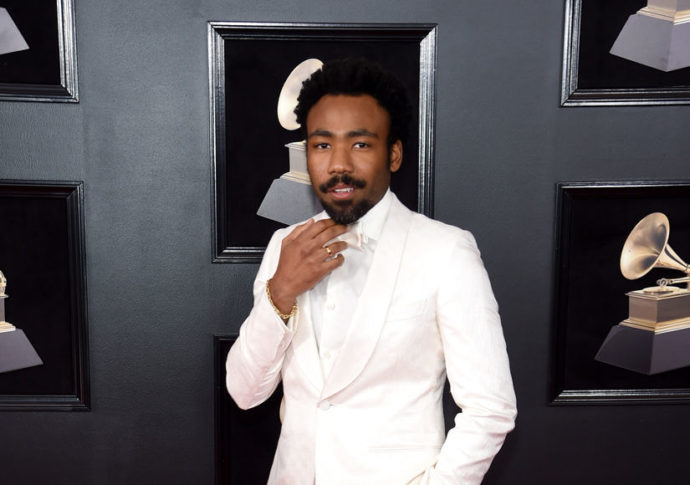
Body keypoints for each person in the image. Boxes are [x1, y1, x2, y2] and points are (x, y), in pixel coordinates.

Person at [226, 58, 516, 485]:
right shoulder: (284, 246)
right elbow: (245, 393)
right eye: (322, 145)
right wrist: (281, 291)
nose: (338, 164)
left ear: (393, 154)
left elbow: (491, 409)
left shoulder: (446, 251)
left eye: (360, 144)